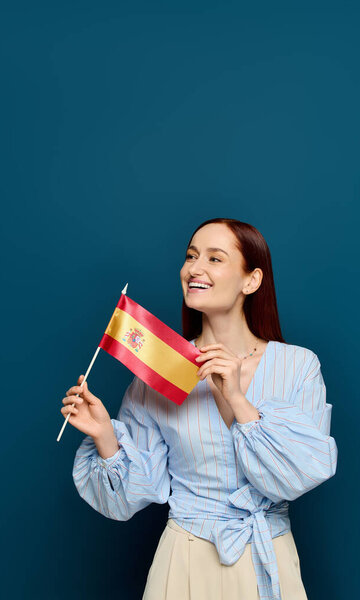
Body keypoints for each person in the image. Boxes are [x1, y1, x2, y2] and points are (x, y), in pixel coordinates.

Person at [61, 218, 338, 600]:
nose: (195, 268)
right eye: (191, 256)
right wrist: (105, 435)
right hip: (186, 560)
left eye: (215, 258)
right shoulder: (160, 371)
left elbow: (300, 473)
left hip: (267, 554)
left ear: (251, 280)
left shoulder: (298, 366)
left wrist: (236, 398)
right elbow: (127, 499)